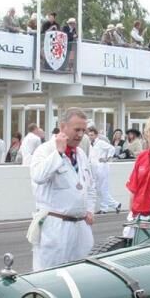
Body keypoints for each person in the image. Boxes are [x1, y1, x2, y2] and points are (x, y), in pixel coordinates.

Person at [28, 108, 96, 270]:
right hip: (56, 226)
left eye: (83, 130)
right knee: (50, 275)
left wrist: (90, 209)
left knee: (82, 274)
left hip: (80, 226)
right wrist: (58, 154)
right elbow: (38, 176)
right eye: (76, 130)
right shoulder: (44, 151)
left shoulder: (80, 154)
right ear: (63, 126)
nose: (80, 135)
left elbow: (90, 187)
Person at [87, 124, 121, 213]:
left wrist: (107, 158)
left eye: (92, 135)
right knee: (98, 189)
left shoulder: (101, 143)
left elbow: (112, 149)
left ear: (96, 135)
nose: (90, 137)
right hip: (94, 168)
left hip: (102, 167)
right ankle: (115, 205)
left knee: (103, 189)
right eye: (89, 135)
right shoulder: (90, 145)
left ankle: (105, 208)